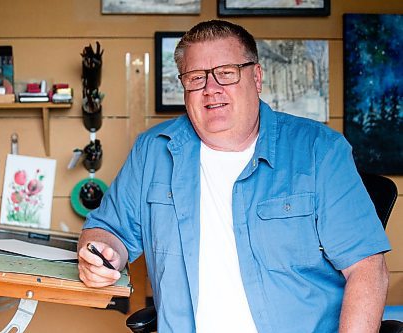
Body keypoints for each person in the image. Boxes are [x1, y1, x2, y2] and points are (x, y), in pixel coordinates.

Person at [77, 20, 390, 332]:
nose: (211, 89)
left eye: (226, 73)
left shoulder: (319, 149)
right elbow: (107, 230)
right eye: (196, 77)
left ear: (256, 77)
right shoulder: (153, 151)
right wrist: (101, 255)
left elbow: (366, 269)